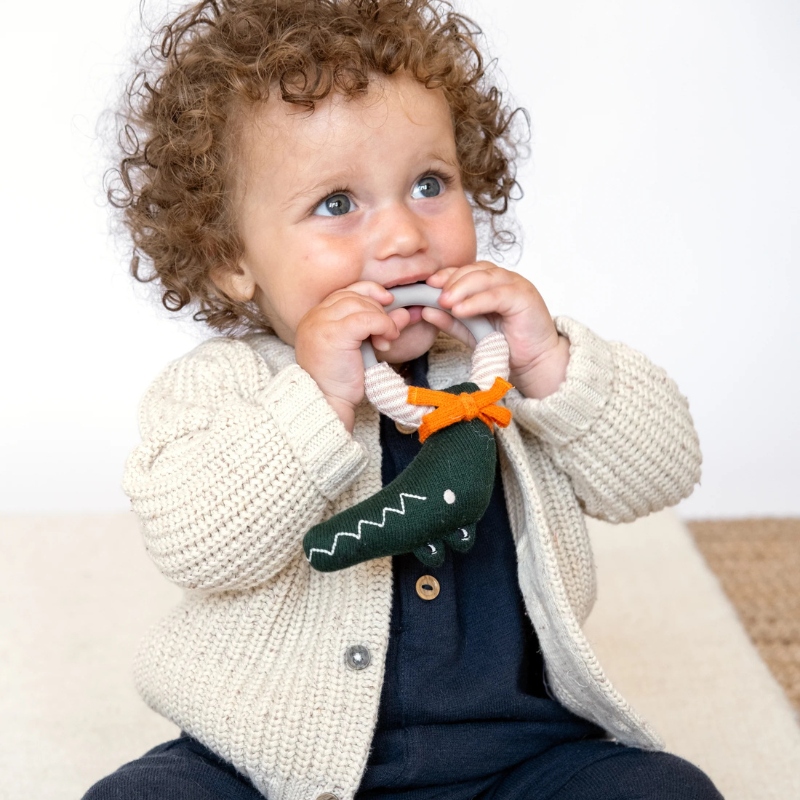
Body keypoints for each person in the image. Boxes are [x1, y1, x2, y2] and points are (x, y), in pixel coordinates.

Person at [85, 1, 723, 798]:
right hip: (271, 767)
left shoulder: (498, 361)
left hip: (517, 757)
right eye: (337, 203)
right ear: (231, 259)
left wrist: (549, 361)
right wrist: (316, 400)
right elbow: (195, 541)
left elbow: (662, 471)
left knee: (665, 789)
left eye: (429, 185)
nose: (401, 238)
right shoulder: (226, 388)